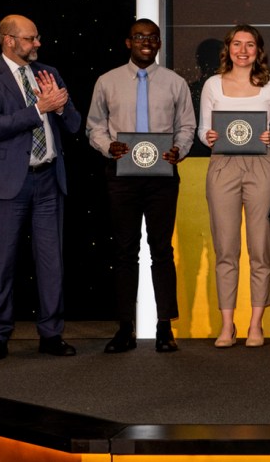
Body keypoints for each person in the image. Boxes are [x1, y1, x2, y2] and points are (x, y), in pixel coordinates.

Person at [0, 15, 82, 360]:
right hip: (7, 185)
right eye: (31, 39)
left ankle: (51, 334)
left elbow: (75, 125)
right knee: (2, 263)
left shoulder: (47, 73)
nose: (37, 44)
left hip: (48, 180)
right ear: (9, 40)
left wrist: (60, 106)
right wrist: (40, 109)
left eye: (37, 38)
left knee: (51, 262)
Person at [87, 18, 196, 354]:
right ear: (128, 42)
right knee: (124, 252)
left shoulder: (176, 83)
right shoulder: (107, 81)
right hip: (122, 176)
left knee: (162, 251)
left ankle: (165, 328)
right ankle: (125, 329)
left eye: (152, 37)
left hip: (163, 178)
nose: (146, 42)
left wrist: (180, 149)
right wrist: (109, 147)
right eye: (139, 37)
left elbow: (188, 127)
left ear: (160, 43)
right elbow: (94, 127)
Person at [199, 25, 270, 348]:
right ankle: (226, 325)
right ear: (228, 48)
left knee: (261, 246)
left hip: (262, 163)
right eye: (237, 44)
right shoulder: (212, 85)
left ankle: (256, 324)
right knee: (226, 248)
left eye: (250, 45)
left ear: (258, 50)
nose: (243, 50)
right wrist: (207, 137)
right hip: (222, 164)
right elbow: (203, 131)